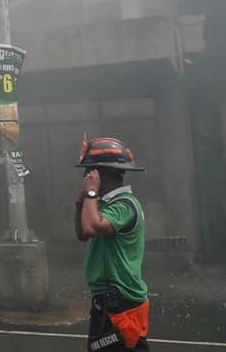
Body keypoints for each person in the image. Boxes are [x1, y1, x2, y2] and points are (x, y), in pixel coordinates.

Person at [75, 137, 150, 351]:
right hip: (108, 301)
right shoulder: (107, 204)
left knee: (123, 347)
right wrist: (82, 203)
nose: (86, 176)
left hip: (120, 301)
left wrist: (91, 192)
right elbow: (82, 234)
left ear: (102, 173)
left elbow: (92, 227)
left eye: (90, 171)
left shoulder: (125, 205)